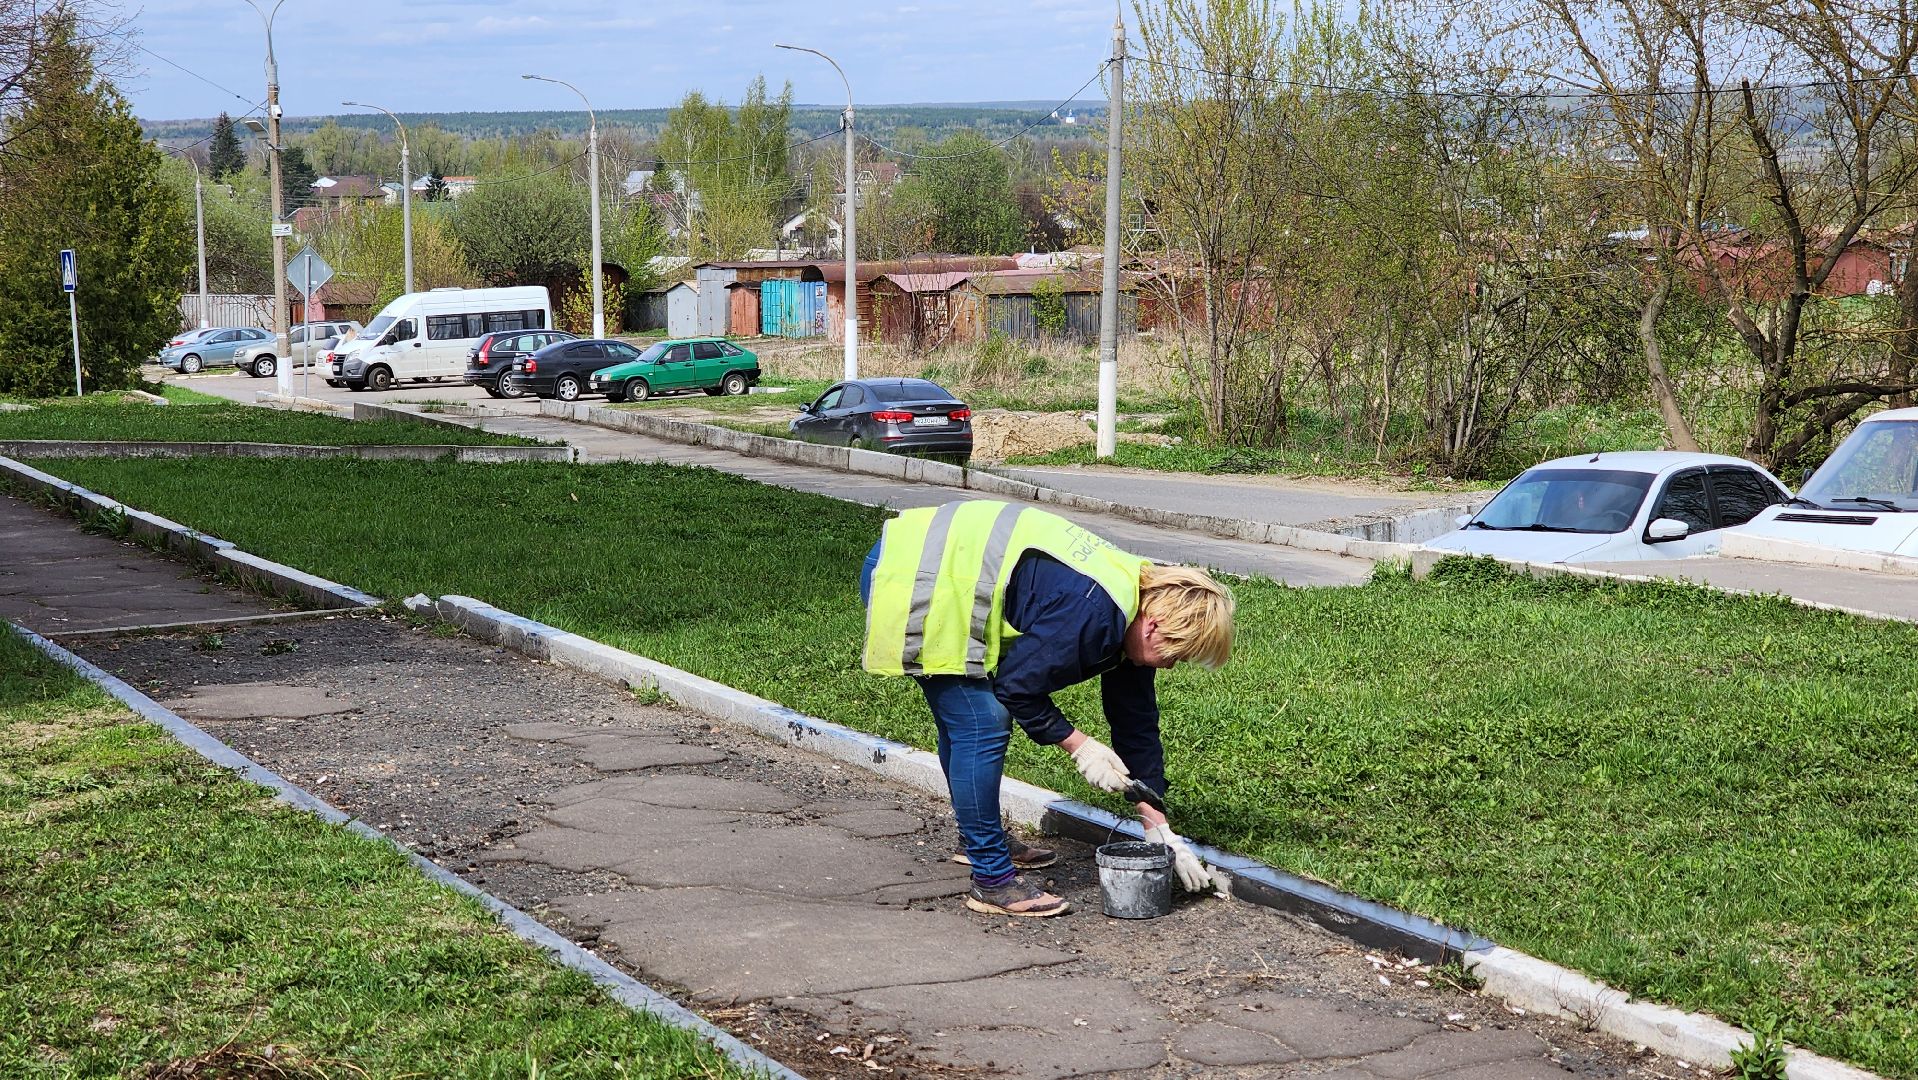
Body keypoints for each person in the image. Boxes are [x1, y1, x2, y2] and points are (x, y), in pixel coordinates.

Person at [861, 500, 1235, 917]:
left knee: (967, 721)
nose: (1171, 665)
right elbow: (1018, 686)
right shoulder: (1096, 611)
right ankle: (992, 880)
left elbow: (1136, 724)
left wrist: (1157, 826)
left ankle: (979, 841)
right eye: (1175, 654)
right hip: (915, 572)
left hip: (940, 567)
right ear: (1153, 625)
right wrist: (1080, 747)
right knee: (981, 722)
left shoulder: (1133, 608)